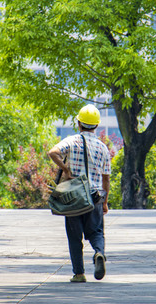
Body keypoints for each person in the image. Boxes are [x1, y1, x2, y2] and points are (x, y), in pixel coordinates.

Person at [48, 104, 111, 283]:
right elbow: (106, 178)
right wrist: (105, 202)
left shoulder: (72, 140)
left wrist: (66, 169)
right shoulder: (103, 148)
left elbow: (52, 152)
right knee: (97, 231)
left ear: (79, 123)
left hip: (74, 197)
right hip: (96, 196)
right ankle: (99, 253)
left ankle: (79, 273)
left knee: (75, 236)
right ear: (96, 126)